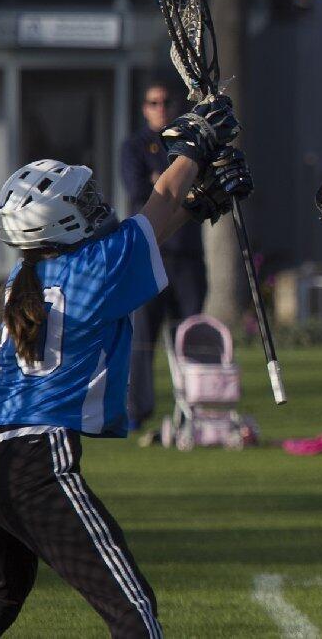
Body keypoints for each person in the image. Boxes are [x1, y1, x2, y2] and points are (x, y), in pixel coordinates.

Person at [0, 96, 249, 637]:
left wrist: (197, 204)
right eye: (83, 199)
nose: (97, 203)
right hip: (35, 457)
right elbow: (160, 199)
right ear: (60, 221)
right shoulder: (93, 268)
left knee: (4, 587)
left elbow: (147, 229)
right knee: (133, 609)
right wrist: (196, 147)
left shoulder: (22, 281)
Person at [120, 80, 207, 428]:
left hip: (187, 256)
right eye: (153, 102)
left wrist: (167, 184)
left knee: (191, 335)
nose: (160, 107)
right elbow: (140, 191)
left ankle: (194, 408)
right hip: (151, 254)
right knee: (144, 338)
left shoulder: (186, 146)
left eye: (166, 101)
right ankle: (138, 411)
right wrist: (171, 187)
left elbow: (194, 191)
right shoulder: (135, 146)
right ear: (144, 107)